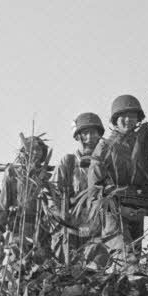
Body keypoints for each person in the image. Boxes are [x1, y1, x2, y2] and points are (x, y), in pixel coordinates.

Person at [86, 94, 148, 266]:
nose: (129, 120)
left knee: (136, 255)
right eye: (124, 116)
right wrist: (118, 208)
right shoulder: (104, 147)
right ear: (115, 120)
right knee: (126, 256)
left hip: (138, 208)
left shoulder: (142, 147)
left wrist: (146, 208)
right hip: (113, 211)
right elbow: (95, 190)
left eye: (133, 116)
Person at [0, 134, 55, 269]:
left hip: (40, 229)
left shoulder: (46, 175)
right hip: (17, 227)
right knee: (16, 266)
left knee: (41, 268)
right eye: (32, 149)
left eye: (39, 149)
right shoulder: (14, 172)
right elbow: (3, 202)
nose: (36, 153)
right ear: (24, 151)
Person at [53, 112, 106, 264]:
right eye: (85, 133)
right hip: (71, 228)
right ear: (78, 137)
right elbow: (53, 195)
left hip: (97, 228)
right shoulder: (68, 162)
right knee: (68, 272)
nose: (90, 138)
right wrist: (61, 221)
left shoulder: (107, 162)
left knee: (97, 270)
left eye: (94, 133)